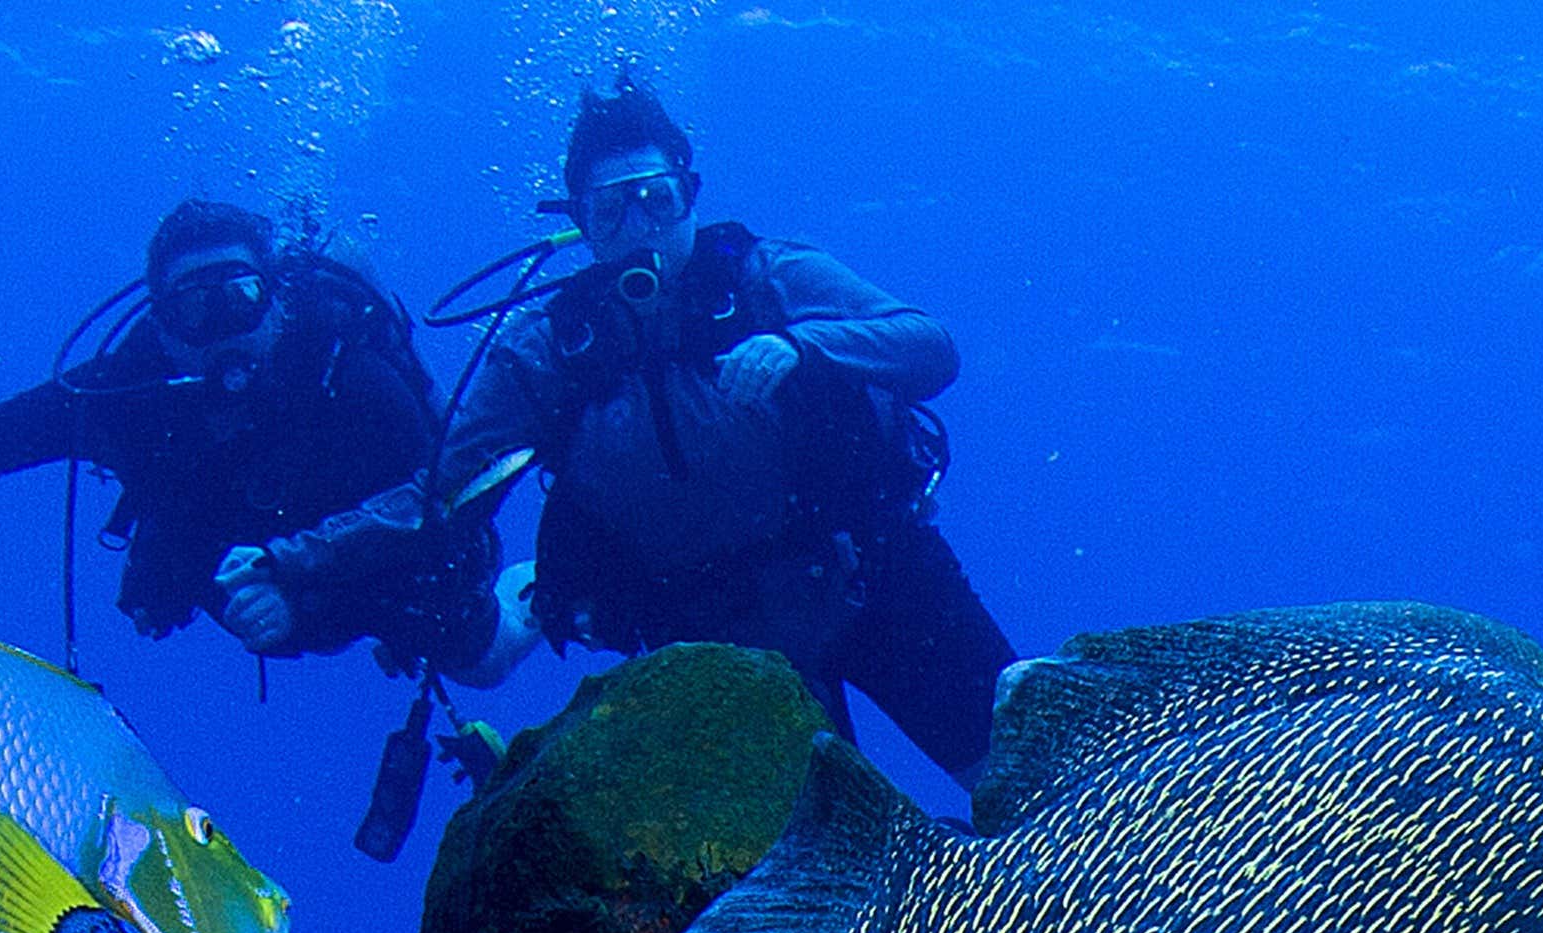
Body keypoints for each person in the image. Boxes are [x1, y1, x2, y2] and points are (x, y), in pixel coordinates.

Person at [237, 79, 1009, 785]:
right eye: (610, 210)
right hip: (716, 651)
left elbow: (927, 345)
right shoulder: (544, 351)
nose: (639, 227)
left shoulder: (767, 278)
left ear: (691, 196)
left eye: (656, 199)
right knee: (810, 906)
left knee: (1038, 798)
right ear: (579, 224)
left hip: (875, 579)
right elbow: (438, 494)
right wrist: (293, 560)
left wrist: (806, 345)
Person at [0, 199, 498, 676]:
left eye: (240, 297)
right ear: (163, 327)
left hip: (383, 560)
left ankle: (519, 600)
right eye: (193, 308)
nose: (222, 329)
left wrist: (305, 591)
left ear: (279, 302)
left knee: (474, 657)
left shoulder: (350, 378)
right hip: (240, 566)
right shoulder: (125, 393)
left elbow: (445, 507)